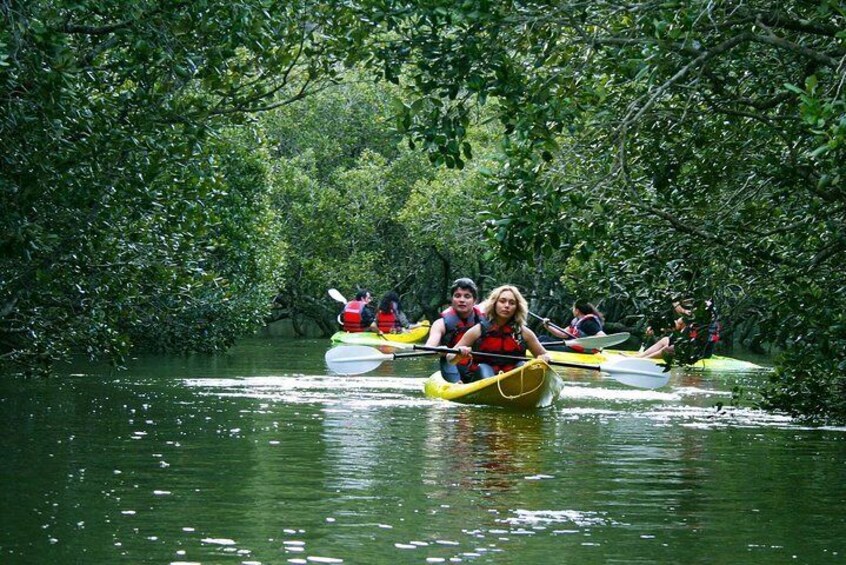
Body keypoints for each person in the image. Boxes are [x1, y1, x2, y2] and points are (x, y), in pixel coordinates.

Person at [449, 285, 551, 383]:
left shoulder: (524, 333)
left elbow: (544, 354)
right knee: (484, 368)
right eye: (502, 301)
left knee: (523, 366)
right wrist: (459, 354)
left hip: (513, 381)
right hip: (482, 378)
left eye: (512, 303)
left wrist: (545, 358)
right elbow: (450, 357)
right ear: (494, 304)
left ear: (517, 307)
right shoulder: (478, 330)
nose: (507, 306)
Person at [425, 278, 485, 383]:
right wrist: (439, 350)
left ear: (474, 301)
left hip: (475, 365)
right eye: (457, 296)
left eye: (467, 296)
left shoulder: (484, 322)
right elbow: (427, 350)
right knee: (448, 362)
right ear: (452, 300)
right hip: (452, 365)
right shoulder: (440, 323)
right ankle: (456, 384)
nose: (462, 300)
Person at [637, 299, 720, 359]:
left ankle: (644, 359)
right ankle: (640, 357)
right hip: (686, 347)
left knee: (669, 348)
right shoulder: (692, 317)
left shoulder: (710, 325)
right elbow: (676, 325)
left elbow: (704, 342)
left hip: (700, 353)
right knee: (665, 340)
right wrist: (656, 329)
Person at [538, 299, 605, 352]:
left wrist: (582, 340)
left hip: (583, 351)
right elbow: (563, 334)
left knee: (542, 343)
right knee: (543, 338)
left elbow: (602, 336)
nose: (572, 310)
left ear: (577, 310)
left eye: (573, 308)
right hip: (573, 348)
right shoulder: (576, 321)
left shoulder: (588, 323)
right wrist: (547, 326)